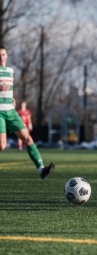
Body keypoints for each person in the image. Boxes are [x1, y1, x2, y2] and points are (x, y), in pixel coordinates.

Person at [0, 45, 55, 179]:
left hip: (11, 112)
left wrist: (11, 98)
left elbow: (8, 90)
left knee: (28, 138)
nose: (1, 57)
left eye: (3, 54)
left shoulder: (11, 71)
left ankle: (42, 170)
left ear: (7, 56)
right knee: (2, 146)